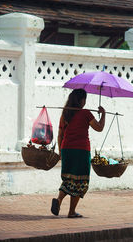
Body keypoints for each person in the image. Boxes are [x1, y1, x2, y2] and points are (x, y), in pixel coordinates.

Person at [51, 89, 105, 218]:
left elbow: (60, 135)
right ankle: (71, 211)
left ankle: (58, 200)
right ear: (81, 100)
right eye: (84, 99)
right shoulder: (86, 113)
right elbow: (99, 128)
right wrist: (103, 114)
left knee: (69, 179)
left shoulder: (65, 115)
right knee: (80, 181)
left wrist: (60, 152)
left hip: (66, 150)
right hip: (81, 151)